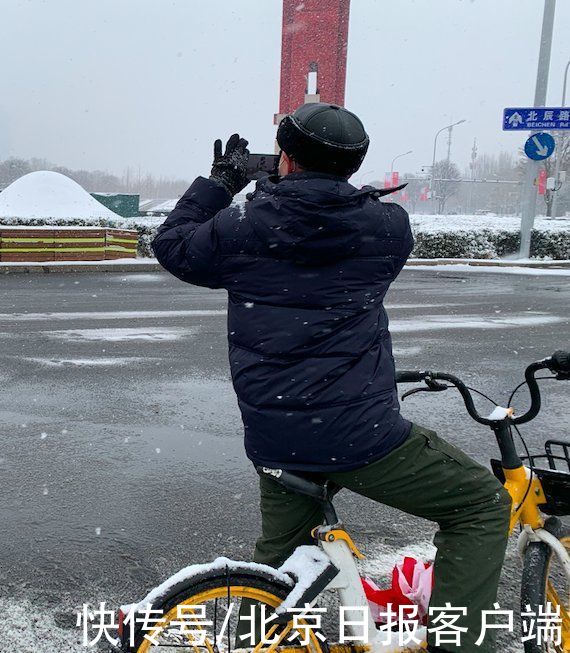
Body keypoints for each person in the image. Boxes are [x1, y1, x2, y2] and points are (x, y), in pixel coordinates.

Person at [152, 103, 511, 652]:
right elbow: (332, 222)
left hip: (276, 434)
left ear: (285, 159)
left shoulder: (244, 226)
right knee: (481, 505)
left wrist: (222, 184)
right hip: (359, 432)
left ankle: (250, 642)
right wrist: (309, 183)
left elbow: (173, 245)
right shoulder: (388, 228)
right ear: (353, 164)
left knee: (276, 565)